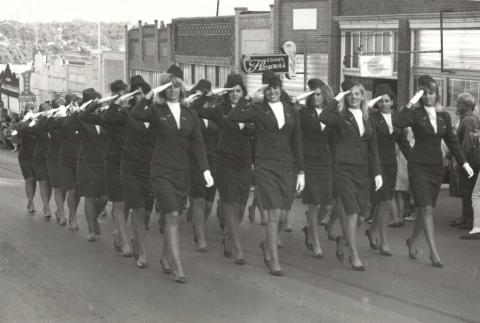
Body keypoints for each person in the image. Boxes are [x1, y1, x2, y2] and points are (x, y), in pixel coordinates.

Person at [132, 65, 213, 282]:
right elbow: (137, 114)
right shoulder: (156, 111)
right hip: (161, 171)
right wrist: (148, 96)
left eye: (176, 86)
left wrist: (205, 169)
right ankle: (178, 266)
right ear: (163, 89)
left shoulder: (190, 113)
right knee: (173, 215)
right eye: (169, 86)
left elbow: (198, 144)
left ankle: (166, 258)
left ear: (182, 88)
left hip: (182, 172)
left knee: (173, 215)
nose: (173, 90)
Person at [229, 73, 304, 276]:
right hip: (265, 166)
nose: (272, 91)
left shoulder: (291, 111)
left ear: (281, 88)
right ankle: (273, 260)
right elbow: (235, 116)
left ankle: (267, 245)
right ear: (264, 90)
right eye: (268, 88)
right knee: (273, 214)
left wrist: (301, 171)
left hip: (287, 166)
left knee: (281, 216)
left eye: (275, 87)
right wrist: (248, 97)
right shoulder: (257, 109)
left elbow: (297, 141)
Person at [394, 75, 474, 266]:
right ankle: (433, 252)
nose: (428, 97)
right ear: (420, 94)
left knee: (425, 209)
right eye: (424, 93)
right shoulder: (415, 113)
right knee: (427, 208)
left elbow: (452, 143)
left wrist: (464, 163)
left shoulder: (444, 116)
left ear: (436, 94)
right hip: (418, 166)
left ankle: (412, 240)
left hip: (435, 168)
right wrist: (412, 101)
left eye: (431, 93)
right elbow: (397, 121)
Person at [318, 79, 382, 271]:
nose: (354, 97)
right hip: (343, 168)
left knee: (363, 214)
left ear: (363, 96)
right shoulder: (339, 115)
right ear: (345, 97)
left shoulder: (367, 117)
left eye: (357, 93)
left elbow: (373, 147)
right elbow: (323, 118)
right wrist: (337, 98)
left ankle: (343, 240)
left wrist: (377, 172)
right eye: (350, 94)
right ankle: (354, 255)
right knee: (352, 212)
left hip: (363, 170)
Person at [191, 74, 254, 264]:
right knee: (230, 203)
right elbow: (195, 109)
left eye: (238, 90)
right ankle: (237, 247)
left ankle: (229, 235)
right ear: (226, 92)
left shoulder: (251, 109)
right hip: (224, 162)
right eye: (231, 90)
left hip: (244, 162)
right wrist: (208, 95)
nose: (234, 94)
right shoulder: (219, 110)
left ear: (243, 92)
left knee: (241, 206)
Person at [365, 84, 411, 256]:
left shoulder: (397, 119)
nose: (384, 104)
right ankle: (383, 241)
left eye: (387, 100)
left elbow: (404, 144)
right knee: (383, 202)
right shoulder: (371, 118)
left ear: (392, 102)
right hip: (376, 165)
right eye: (380, 101)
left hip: (391, 165)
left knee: (382, 203)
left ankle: (372, 230)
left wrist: (414, 162)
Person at [299, 78, 335, 258]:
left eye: (318, 94)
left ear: (325, 96)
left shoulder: (332, 114)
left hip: (326, 162)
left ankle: (310, 229)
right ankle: (315, 239)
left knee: (327, 206)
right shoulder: (305, 114)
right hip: (310, 162)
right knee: (314, 204)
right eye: (312, 94)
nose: (315, 97)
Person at [99, 80, 133, 256]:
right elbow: (105, 120)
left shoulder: (132, 111)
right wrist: (116, 103)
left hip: (131, 161)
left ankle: (119, 233)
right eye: (124, 92)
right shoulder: (112, 112)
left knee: (128, 203)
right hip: (114, 161)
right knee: (120, 202)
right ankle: (125, 242)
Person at [187, 79, 220, 253]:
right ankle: (200, 236)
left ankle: (197, 227)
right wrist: (201, 97)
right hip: (194, 161)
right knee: (198, 200)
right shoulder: (191, 113)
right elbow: (194, 108)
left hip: (213, 160)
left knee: (208, 203)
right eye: (200, 94)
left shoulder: (214, 112)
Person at [76, 89, 109, 241]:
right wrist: (91, 105)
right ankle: (91, 230)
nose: (99, 106)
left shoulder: (102, 119)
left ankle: (94, 218)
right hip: (87, 162)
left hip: (103, 162)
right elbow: (82, 115)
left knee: (103, 197)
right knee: (90, 197)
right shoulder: (82, 120)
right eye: (97, 102)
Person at [451, 93, 480, 233]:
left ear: (465, 105)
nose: (456, 106)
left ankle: (469, 220)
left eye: (458, 103)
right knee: (466, 190)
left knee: (468, 190)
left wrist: (461, 162)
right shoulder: (469, 119)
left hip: (469, 162)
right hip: (471, 162)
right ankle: (465, 217)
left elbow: (467, 145)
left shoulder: (468, 120)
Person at [58, 93, 82, 231]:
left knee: (78, 191)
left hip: (79, 158)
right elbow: (64, 124)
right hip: (66, 159)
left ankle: (72, 212)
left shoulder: (82, 119)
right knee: (71, 189)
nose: (76, 105)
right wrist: (72, 112)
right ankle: (72, 216)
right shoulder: (64, 117)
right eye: (73, 103)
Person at [16, 103, 38, 214]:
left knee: (34, 180)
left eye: (35, 108)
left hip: (36, 156)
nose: (34, 110)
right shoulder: (23, 125)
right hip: (24, 156)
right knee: (29, 179)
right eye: (32, 108)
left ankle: (30, 200)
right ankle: (30, 202)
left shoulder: (40, 123)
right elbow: (17, 140)